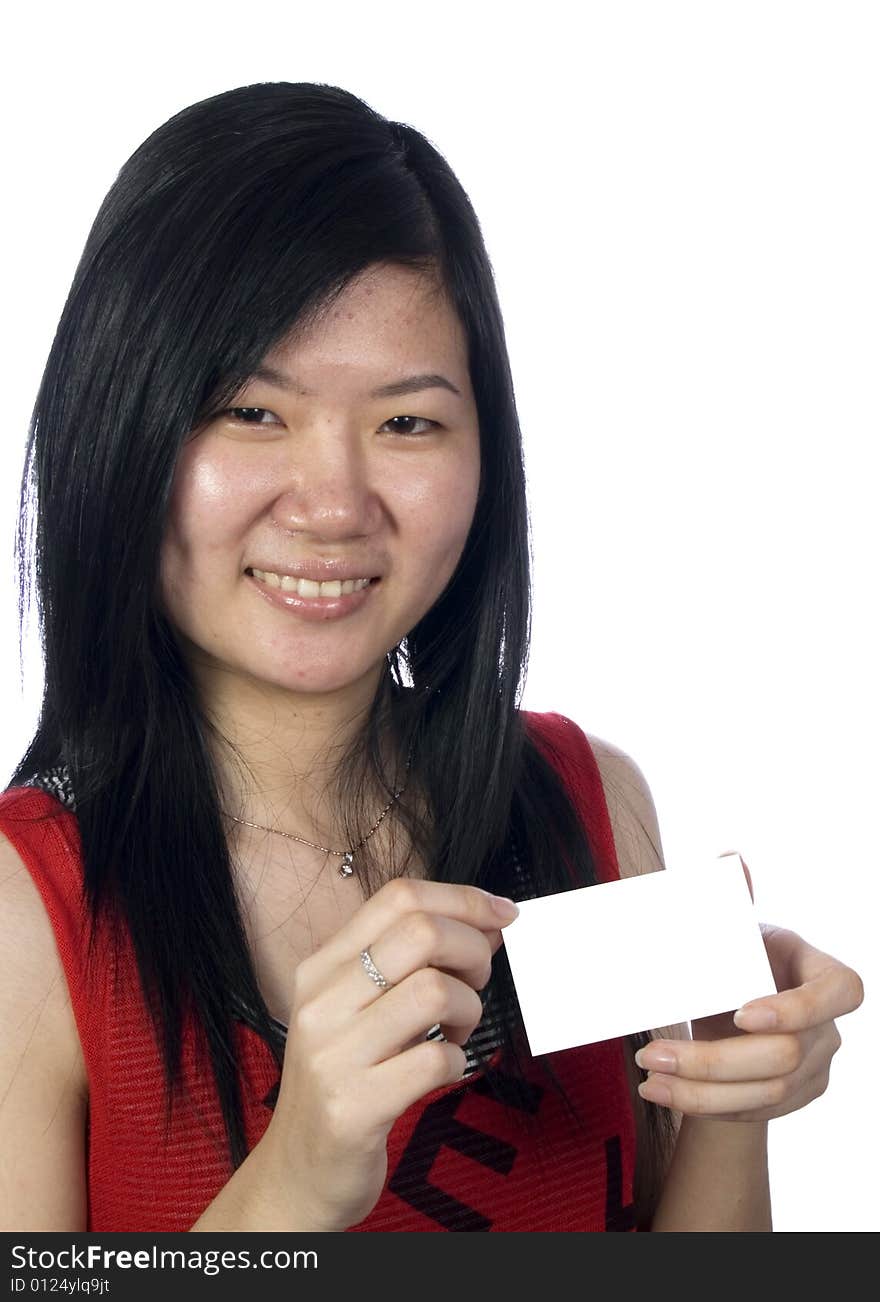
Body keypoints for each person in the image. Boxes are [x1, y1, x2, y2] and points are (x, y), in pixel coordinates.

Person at [0, 82, 863, 1234]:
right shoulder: (27, 913)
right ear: (120, 429)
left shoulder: (586, 804)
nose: (334, 505)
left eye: (407, 422)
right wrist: (298, 1175)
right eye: (253, 412)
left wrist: (727, 1090)